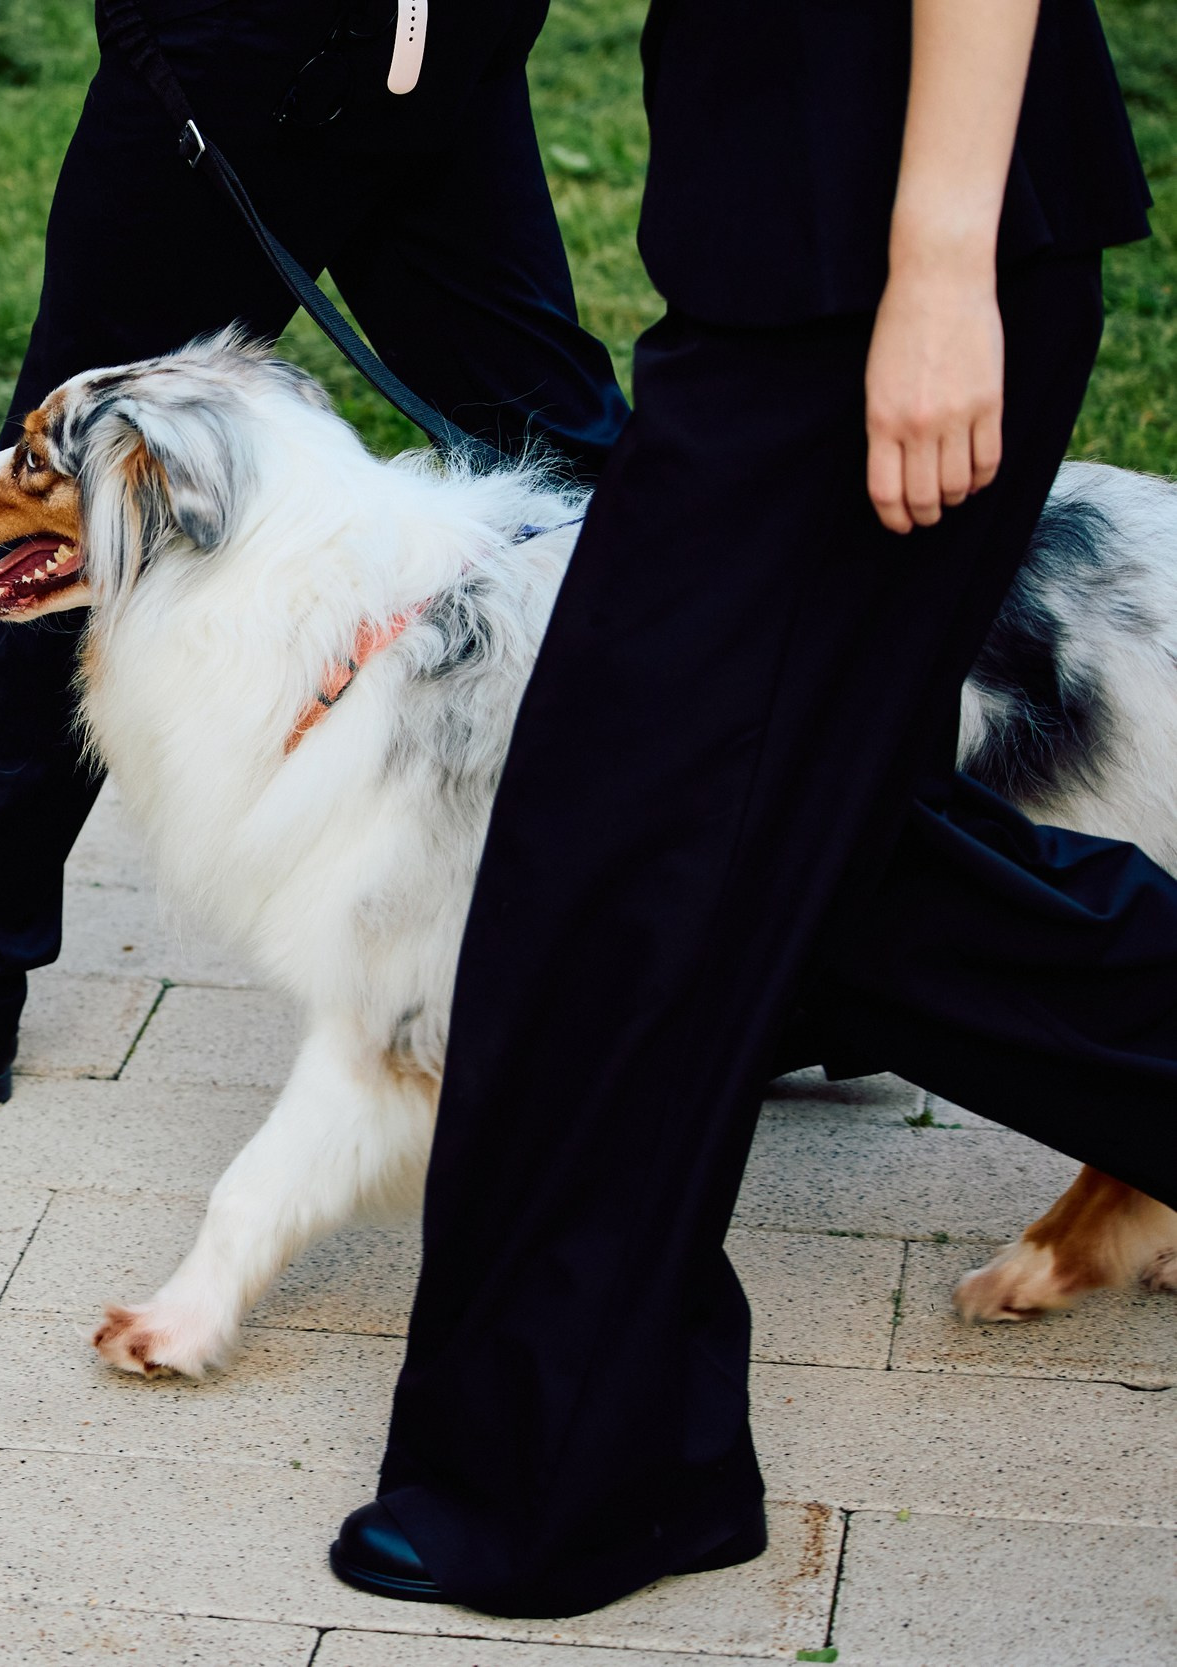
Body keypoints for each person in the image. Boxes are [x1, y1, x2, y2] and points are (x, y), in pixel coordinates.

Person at [327, 0, 1163, 1618]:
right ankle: (595, 1457)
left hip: (893, 273)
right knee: (825, 870)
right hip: (785, 252)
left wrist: (938, 265)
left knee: (615, 841)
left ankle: (579, 1472)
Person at [0, 0, 628, 1108]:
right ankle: (752, 933)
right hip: (435, 20)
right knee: (568, 462)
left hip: (266, 30)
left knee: (81, 485)